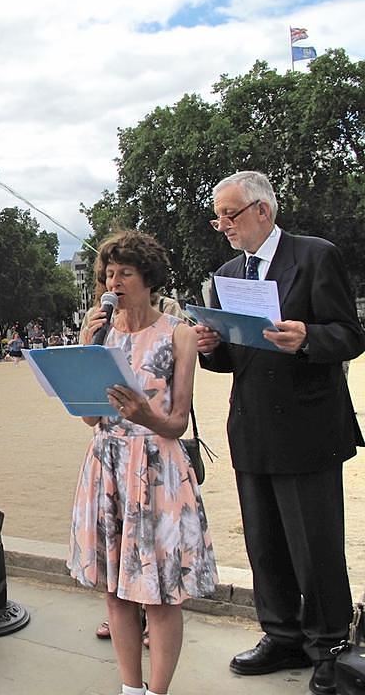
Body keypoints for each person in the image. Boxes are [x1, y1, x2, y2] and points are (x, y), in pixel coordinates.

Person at [196, 171, 365, 695]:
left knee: (315, 547)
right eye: (218, 218)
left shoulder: (314, 256)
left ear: (262, 210)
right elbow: (235, 355)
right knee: (264, 543)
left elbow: (350, 335)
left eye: (230, 215)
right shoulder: (227, 273)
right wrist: (211, 347)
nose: (224, 225)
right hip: (252, 427)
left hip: (308, 428)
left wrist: (308, 337)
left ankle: (329, 644)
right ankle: (281, 634)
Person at [68, 230, 217, 695]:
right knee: (114, 590)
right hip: (106, 465)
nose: (114, 283)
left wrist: (143, 415)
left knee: (160, 593)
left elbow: (177, 423)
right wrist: (83, 355)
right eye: (109, 274)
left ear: (148, 278)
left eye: (125, 273)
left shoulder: (178, 335)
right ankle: (130, 688)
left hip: (156, 470)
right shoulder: (100, 333)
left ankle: (158, 691)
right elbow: (91, 417)